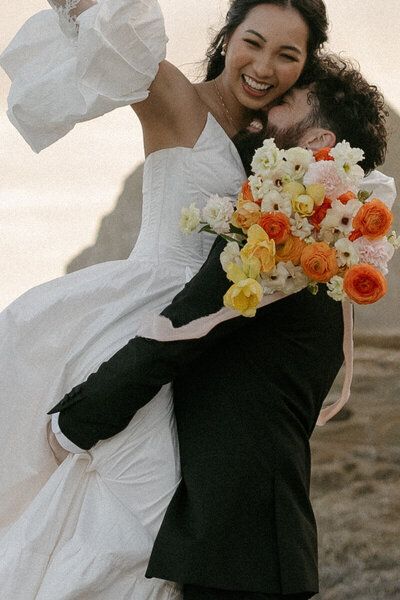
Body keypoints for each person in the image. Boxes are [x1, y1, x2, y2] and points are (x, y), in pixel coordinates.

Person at [0, 1, 329, 599]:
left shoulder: (278, 147)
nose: (263, 66)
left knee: (177, 523)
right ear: (228, 37)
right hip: (143, 325)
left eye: (287, 54)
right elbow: (109, 20)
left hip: (207, 352)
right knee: (132, 510)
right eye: (252, 42)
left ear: (306, 65)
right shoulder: (177, 97)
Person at [47, 56, 394, 600]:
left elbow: (181, 329)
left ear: (321, 138)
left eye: (285, 103)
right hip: (252, 551)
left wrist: (78, 421)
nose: (265, 108)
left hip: (242, 552)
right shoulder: (321, 246)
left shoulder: (283, 245)